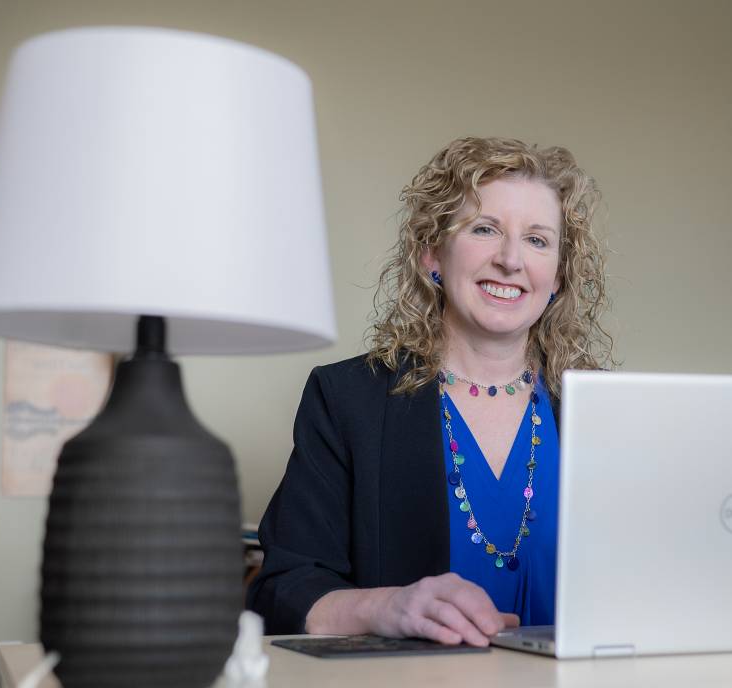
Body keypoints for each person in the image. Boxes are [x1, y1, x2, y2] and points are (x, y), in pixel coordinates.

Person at [247, 136, 613, 646]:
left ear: (557, 277)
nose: (511, 260)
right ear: (431, 255)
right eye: (485, 229)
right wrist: (384, 605)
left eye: (537, 240)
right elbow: (281, 591)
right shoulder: (348, 400)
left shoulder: (609, 414)